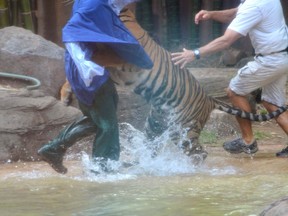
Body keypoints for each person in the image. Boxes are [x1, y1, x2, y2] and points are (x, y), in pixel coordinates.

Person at [37, 0, 153, 174]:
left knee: (96, 119)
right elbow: (72, 30)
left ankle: (54, 149)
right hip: (89, 71)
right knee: (108, 125)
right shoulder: (94, 4)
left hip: (82, 69)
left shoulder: (91, 3)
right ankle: (104, 169)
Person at [171, 0, 288, 157]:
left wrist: (195, 53)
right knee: (273, 104)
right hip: (282, 57)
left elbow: (227, 40)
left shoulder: (254, 5)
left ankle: (248, 142)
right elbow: (236, 13)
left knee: (234, 91)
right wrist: (212, 14)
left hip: (269, 61)